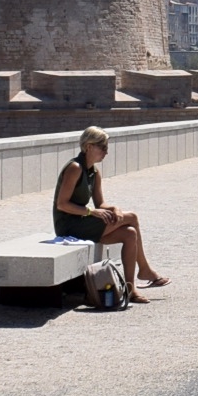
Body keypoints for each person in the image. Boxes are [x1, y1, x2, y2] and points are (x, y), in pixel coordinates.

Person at [54, 126, 168, 299]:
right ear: (89, 146)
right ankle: (144, 269)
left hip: (85, 223)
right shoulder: (75, 168)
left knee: (130, 234)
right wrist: (92, 212)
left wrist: (114, 209)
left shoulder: (94, 172)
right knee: (132, 217)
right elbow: (62, 204)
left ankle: (130, 289)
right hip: (69, 226)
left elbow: (101, 203)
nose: (106, 152)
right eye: (103, 147)